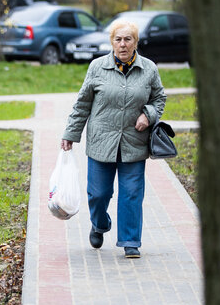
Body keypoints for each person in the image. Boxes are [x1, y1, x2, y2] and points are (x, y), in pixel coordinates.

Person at [61, 18, 166, 258]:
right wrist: (70, 134)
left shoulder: (149, 68)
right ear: (112, 42)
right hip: (101, 142)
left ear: (135, 42)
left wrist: (148, 115)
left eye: (128, 39)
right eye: (118, 39)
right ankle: (99, 224)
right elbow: (82, 104)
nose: (123, 44)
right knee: (98, 193)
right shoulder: (97, 67)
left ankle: (130, 241)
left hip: (134, 142)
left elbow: (159, 99)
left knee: (131, 193)